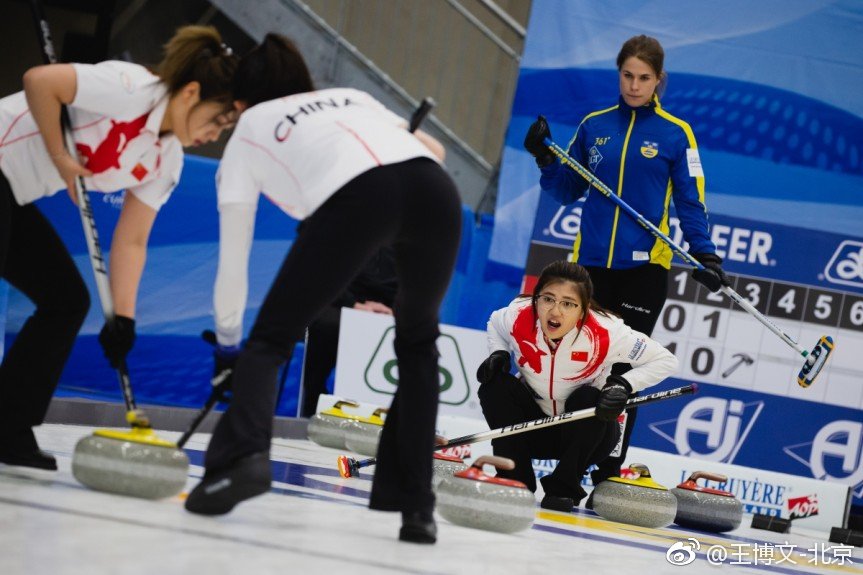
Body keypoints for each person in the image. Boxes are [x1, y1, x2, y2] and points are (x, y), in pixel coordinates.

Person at [183, 34, 462, 547]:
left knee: (271, 339)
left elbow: (233, 263)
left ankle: (243, 459)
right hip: (436, 192)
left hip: (361, 196)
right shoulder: (350, 96)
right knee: (419, 345)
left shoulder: (249, 128)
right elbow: (436, 150)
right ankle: (417, 508)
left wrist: (228, 347)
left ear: (241, 103)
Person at [0, 26, 238, 470]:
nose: (214, 135)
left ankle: (8, 427)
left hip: (13, 192)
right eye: (216, 121)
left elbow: (132, 239)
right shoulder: (132, 88)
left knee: (66, 301)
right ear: (191, 93)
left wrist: (123, 320)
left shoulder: (167, 159)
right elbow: (39, 80)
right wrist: (61, 158)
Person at [522, 34, 728, 486]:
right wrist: (544, 158)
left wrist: (704, 252)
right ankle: (568, 466)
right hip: (590, 270)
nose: (634, 86)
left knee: (621, 376)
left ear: (658, 80)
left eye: (644, 78)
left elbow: (690, 200)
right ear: (619, 74)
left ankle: (608, 471)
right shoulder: (594, 126)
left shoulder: (676, 133)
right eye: (628, 76)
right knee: (581, 367)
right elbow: (566, 190)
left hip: (643, 272)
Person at [476, 260, 678, 511]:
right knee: (494, 386)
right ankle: (515, 478)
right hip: (532, 430)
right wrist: (499, 353)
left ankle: (564, 487)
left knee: (588, 397)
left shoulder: (606, 331)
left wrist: (623, 384)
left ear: (584, 309)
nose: (555, 311)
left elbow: (666, 360)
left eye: (568, 304)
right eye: (547, 299)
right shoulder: (518, 315)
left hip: (587, 436)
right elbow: (495, 323)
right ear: (536, 299)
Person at [298, 243, 397, 418]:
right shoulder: (342, 231)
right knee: (326, 325)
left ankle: (387, 418)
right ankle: (312, 406)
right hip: (337, 302)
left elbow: (420, 285)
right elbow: (320, 273)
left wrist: (395, 311)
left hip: (389, 310)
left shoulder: (412, 240)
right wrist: (353, 305)